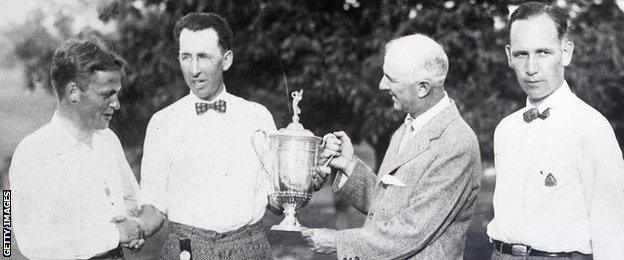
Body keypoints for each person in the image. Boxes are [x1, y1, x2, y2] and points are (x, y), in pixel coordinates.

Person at [304, 34, 482, 259]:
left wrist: (337, 242)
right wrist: (349, 165)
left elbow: (411, 231)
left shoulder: (456, 143)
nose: (382, 85)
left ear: (422, 88)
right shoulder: (406, 128)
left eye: (391, 78)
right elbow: (390, 207)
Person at [134, 12, 277, 259]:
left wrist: (302, 185)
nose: (194, 70)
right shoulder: (162, 122)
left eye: (203, 57)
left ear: (227, 59)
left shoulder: (257, 116)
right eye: (185, 57)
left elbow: (276, 199)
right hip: (185, 251)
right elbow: (154, 203)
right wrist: (137, 228)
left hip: (250, 250)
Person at [487, 2, 624, 259]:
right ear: (508, 56)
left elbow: (613, 231)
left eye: (543, 52)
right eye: (521, 54)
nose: (531, 68)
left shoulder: (591, 127)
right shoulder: (506, 129)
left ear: (566, 53)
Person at [9, 39, 142, 259]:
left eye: (116, 93)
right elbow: (34, 243)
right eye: (106, 94)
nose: (116, 104)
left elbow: (131, 199)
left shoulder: (108, 140)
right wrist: (114, 234)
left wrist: (131, 224)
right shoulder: (33, 153)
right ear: (73, 92)